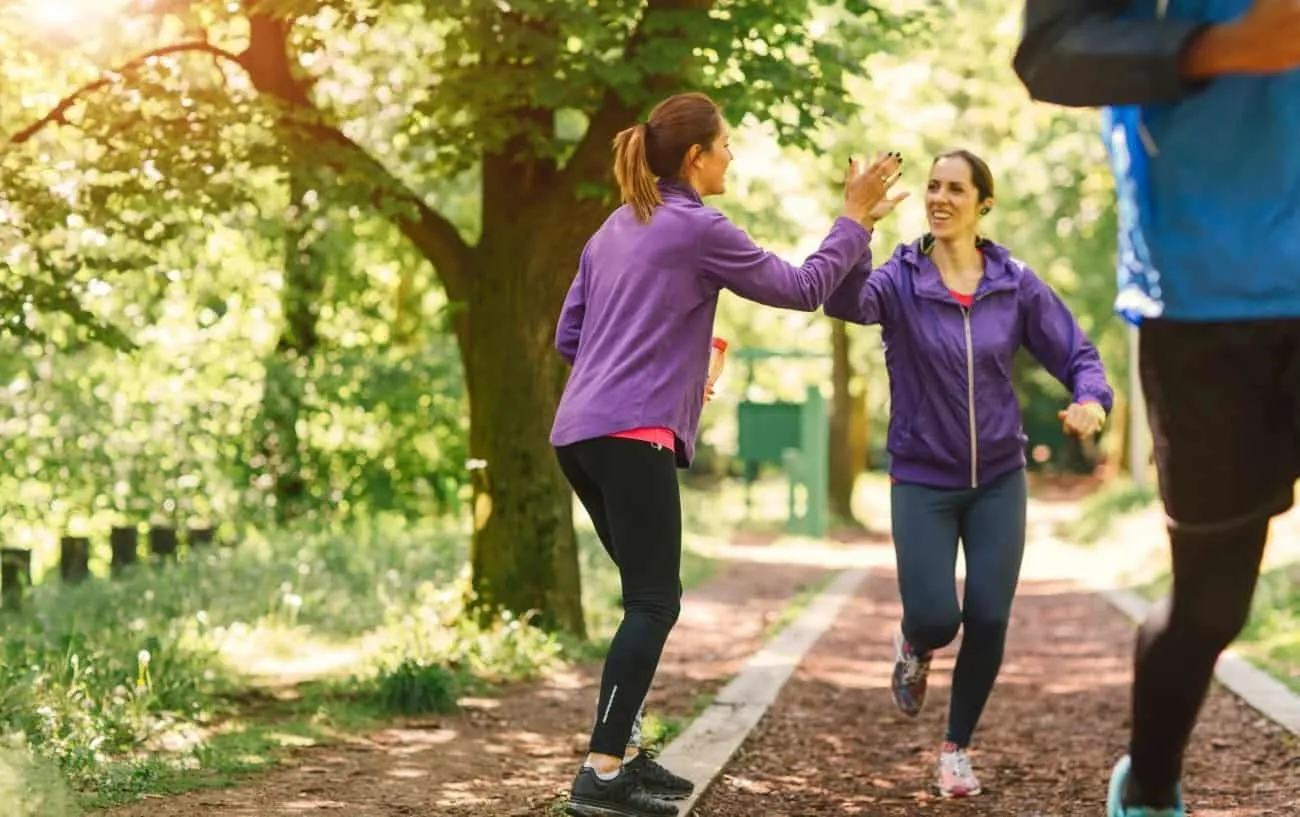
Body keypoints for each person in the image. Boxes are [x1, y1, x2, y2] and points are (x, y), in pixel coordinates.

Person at [549, 90, 902, 817]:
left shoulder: (613, 229)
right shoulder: (695, 227)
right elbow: (805, 287)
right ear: (695, 157)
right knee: (654, 601)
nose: (733, 155)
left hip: (579, 436)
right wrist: (856, 220)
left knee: (641, 600)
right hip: (630, 436)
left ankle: (631, 757)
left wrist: (669, 372)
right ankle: (602, 769)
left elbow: (570, 339)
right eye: (726, 145)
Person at [1013, 3, 1300, 816]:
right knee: (1213, 603)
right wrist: (1220, 47)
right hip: (1208, 299)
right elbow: (1053, 52)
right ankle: (1148, 782)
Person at [823, 149, 1113, 799]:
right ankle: (913, 641)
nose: (939, 197)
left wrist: (1091, 398)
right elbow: (844, 303)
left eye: (955, 188)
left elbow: (1076, 351)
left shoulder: (1012, 282)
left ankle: (956, 749)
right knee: (935, 615)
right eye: (933, 186)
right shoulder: (900, 277)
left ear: (984, 202)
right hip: (923, 478)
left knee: (988, 615)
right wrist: (855, 225)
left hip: (999, 480)